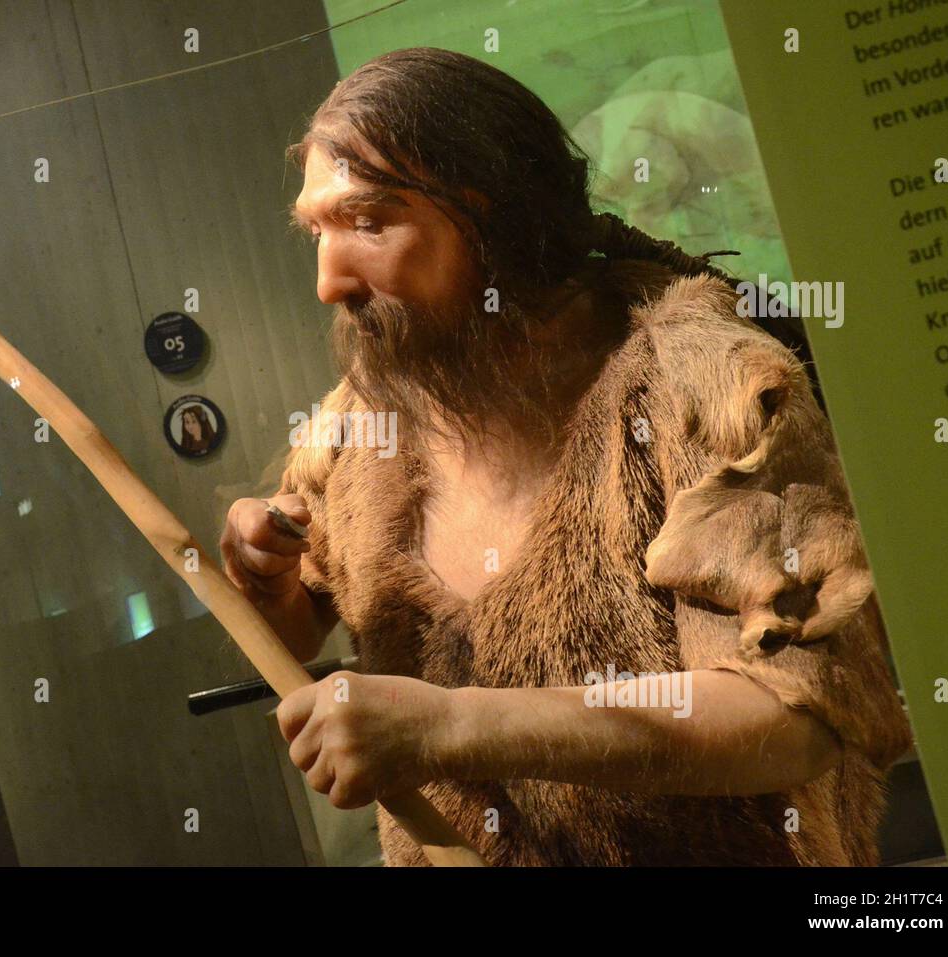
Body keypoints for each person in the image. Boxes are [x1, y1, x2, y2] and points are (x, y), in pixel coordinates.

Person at [219, 48, 912, 866]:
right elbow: (308, 616)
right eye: (318, 232)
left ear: (490, 216)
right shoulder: (367, 415)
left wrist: (448, 725)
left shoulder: (699, 382)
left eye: (370, 222)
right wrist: (267, 582)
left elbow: (796, 716)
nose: (329, 281)